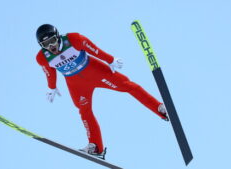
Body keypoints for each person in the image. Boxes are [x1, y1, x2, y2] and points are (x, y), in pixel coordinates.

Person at [35, 24, 169, 159]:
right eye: (45, 44)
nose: (51, 46)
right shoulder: (42, 58)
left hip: (96, 72)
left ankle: (160, 108)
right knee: (84, 111)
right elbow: (49, 72)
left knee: (128, 86)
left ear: (58, 36)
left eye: (52, 40)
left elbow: (94, 49)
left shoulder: (73, 39)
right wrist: (51, 87)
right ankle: (96, 146)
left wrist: (110, 60)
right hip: (76, 85)